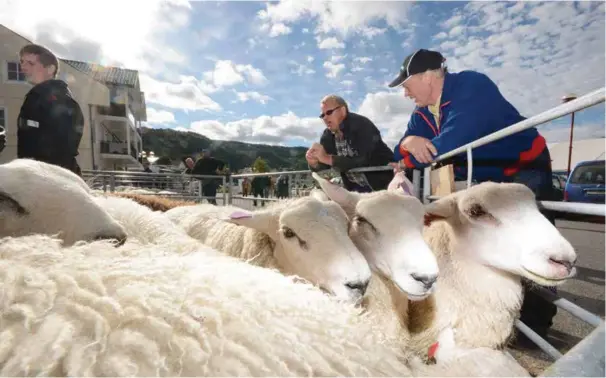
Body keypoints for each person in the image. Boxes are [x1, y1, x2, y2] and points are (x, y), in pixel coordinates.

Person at [387, 48, 557, 346]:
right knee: (490, 239)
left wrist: (414, 152)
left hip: (525, 166)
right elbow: (397, 157)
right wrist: (410, 141)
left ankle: (536, 327)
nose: (405, 93)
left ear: (427, 76)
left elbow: (446, 147)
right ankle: (500, 315)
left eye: (406, 84)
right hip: (489, 175)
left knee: (531, 238)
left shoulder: (472, 86)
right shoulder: (422, 113)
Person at [16, 44, 85, 176]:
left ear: (50, 69)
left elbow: (64, 148)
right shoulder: (37, 97)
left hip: (51, 181)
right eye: (22, 62)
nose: (23, 67)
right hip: (39, 177)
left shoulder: (56, 100)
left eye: (30, 63)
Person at [306, 94, 394, 192]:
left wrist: (326, 158)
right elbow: (326, 165)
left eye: (329, 112)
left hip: (385, 186)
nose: (325, 118)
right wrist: (314, 163)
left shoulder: (362, 125)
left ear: (343, 110)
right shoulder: (327, 136)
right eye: (322, 115)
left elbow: (362, 161)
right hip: (355, 188)